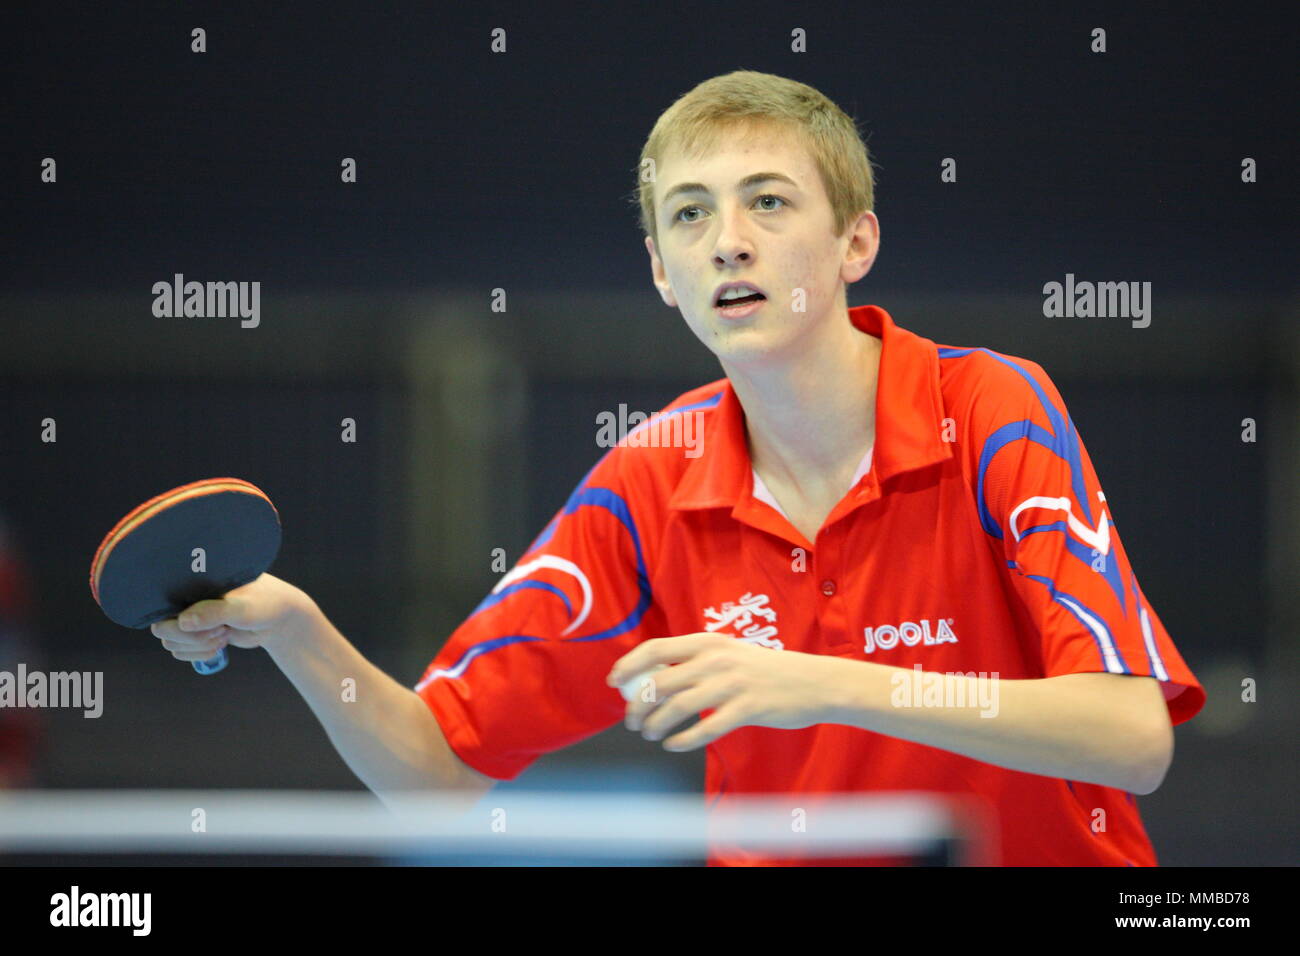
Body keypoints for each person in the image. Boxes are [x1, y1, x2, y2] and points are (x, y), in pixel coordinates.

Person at [152, 70, 1205, 866]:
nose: (727, 242)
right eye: (690, 213)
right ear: (661, 270)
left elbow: (1128, 734)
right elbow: (433, 770)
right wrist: (294, 629)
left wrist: (815, 683)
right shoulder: (651, 477)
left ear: (856, 242)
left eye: (769, 202)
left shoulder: (989, 411)